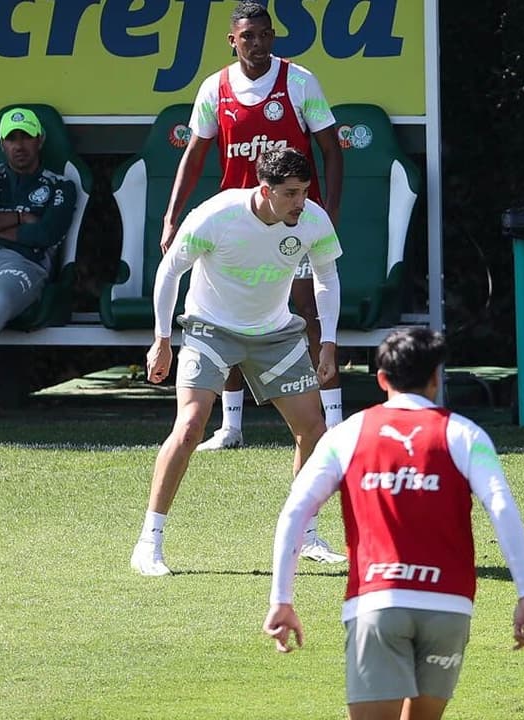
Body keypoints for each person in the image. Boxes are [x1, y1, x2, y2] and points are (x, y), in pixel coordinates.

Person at [264, 327, 524, 720]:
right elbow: (502, 507)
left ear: (381, 379)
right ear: (435, 378)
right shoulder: (465, 434)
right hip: (449, 606)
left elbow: (295, 510)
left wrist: (282, 600)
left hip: (377, 601)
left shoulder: (348, 434)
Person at [130, 147, 344, 576]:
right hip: (209, 329)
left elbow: (327, 277)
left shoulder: (313, 220)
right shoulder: (216, 215)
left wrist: (329, 344)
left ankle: (305, 535)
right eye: (290, 194)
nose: (300, 202)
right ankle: (148, 544)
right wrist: (162, 340)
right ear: (265, 190)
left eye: (304, 192)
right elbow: (169, 271)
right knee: (190, 425)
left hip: (276, 334)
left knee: (314, 429)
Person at [162, 0, 345, 453]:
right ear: (233, 40)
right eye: (248, 37)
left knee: (309, 310)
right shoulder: (214, 88)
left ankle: (335, 423)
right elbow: (196, 154)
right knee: (229, 317)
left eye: (265, 35)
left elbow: (332, 150)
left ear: (273, 36)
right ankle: (231, 426)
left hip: (291, 220)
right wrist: (171, 216)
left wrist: (330, 212)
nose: (258, 44)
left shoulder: (299, 82)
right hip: (237, 225)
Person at [0, 108, 76, 355]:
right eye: (12, 139)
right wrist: (20, 217)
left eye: (26, 137)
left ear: (40, 139)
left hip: (25, 263)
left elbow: (46, 235)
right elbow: (33, 228)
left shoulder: (61, 185)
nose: (19, 145)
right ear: (2, 144)